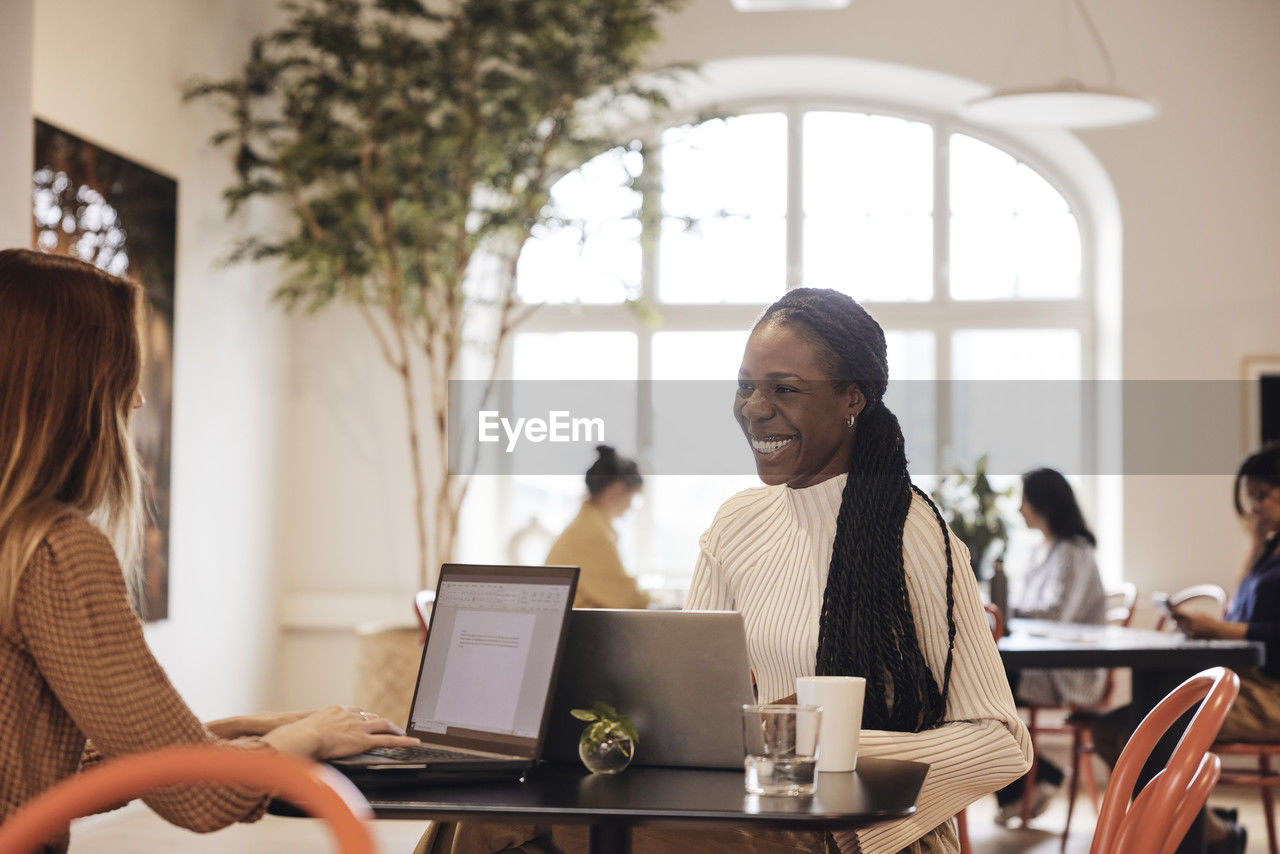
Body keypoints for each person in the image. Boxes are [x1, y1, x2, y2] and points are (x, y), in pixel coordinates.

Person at [414, 287, 1031, 854]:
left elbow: (1004, 743)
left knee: (584, 833)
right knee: (487, 816)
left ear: (853, 398)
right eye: (745, 386)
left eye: (784, 389)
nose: (755, 409)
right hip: (744, 810)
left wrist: (814, 747)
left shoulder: (916, 536)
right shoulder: (735, 524)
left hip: (858, 834)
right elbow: (690, 712)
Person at [0, 248, 419, 852]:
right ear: (73, 389)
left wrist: (240, 731)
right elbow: (201, 798)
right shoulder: (52, 552)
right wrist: (314, 740)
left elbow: (49, 771)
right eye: (123, 373)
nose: (138, 399)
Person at [1090, 441, 1280, 854]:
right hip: (1245, 683)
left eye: (1262, 496)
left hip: (1269, 695)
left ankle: (1184, 836)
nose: (1254, 509)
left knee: (1154, 732)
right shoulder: (1268, 553)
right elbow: (1242, 618)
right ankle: (1207, 829)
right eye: (1250, 501)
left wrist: (1218, 629)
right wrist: (1256, 543)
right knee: (1111, 728)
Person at [993, 468, 1107, 824]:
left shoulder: (1074, 551)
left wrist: (1004, 609)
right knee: (983, 681)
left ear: (1043, 503)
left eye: (1024, 500)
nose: (1019, 510)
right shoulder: (1043, 550)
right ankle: (1037, 776)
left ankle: (1032, 779)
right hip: (1042, 663)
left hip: (1069, 671)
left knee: (986, 684)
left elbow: (1058, 614)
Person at [546, 445, 652, 609]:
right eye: (633, 497)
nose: (631, 506)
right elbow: (628, 599)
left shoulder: (586, 525)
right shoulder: (591, 534)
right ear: (617, 489)